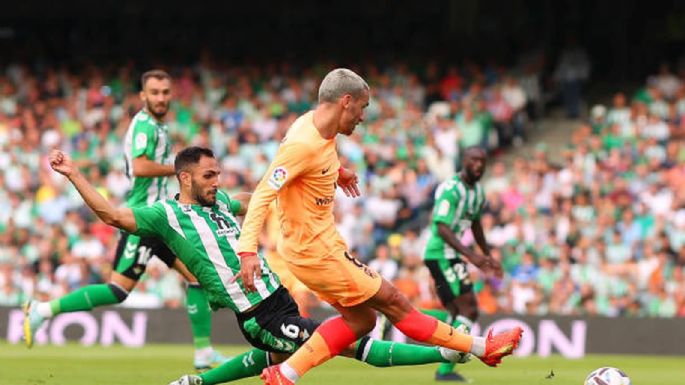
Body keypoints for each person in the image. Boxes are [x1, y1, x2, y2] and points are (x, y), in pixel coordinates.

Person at [46, 146, 471, 385]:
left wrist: (304, 181)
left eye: (219, 174)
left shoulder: (224, 204)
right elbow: (112, 217)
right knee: (349, 343)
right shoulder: (164, 215)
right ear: (185, 179)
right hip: (257, 313)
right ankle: (447, 352)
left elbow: (259, 197)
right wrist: (73, 173)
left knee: (269, 361)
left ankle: (196, 382)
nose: (218, 182)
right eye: (209, 176)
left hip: (279, 301)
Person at [235, 68, 523, 385]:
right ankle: (483, 348)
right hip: (317, 253)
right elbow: (264, 192)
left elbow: (316, 158)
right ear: (346, 101)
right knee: (395, 303)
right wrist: (247, 250)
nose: (362, 117)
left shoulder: (314, 126)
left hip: (316, 248)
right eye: (362, 107)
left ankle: (286, 373)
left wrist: (337, 172)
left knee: (361, 320)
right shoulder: (302, 143)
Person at [23, 70, 228, 370]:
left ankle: (203, 352)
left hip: (162, 218)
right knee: (118, 290)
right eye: (155, 92)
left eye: (165, 92)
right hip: (143, 219)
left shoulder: (160, 126)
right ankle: (42, 309)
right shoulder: (145, 125)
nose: (161, 97)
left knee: (197, 276)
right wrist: (180, 171)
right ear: (143, 96)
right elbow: (142, 166)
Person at [422, 146, 496, 382]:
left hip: (451, 255)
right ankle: (444, 373)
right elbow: (441, 227)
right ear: (464, 160)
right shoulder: (451, 189)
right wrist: (472, 256)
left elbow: (475, 225)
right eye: (474, 159)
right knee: (469, 311)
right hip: (440, 254)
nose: (479, 164)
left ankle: (393, 314)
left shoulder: (478, 193)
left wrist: (487, 255)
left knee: (455, 314)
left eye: (482, 160)